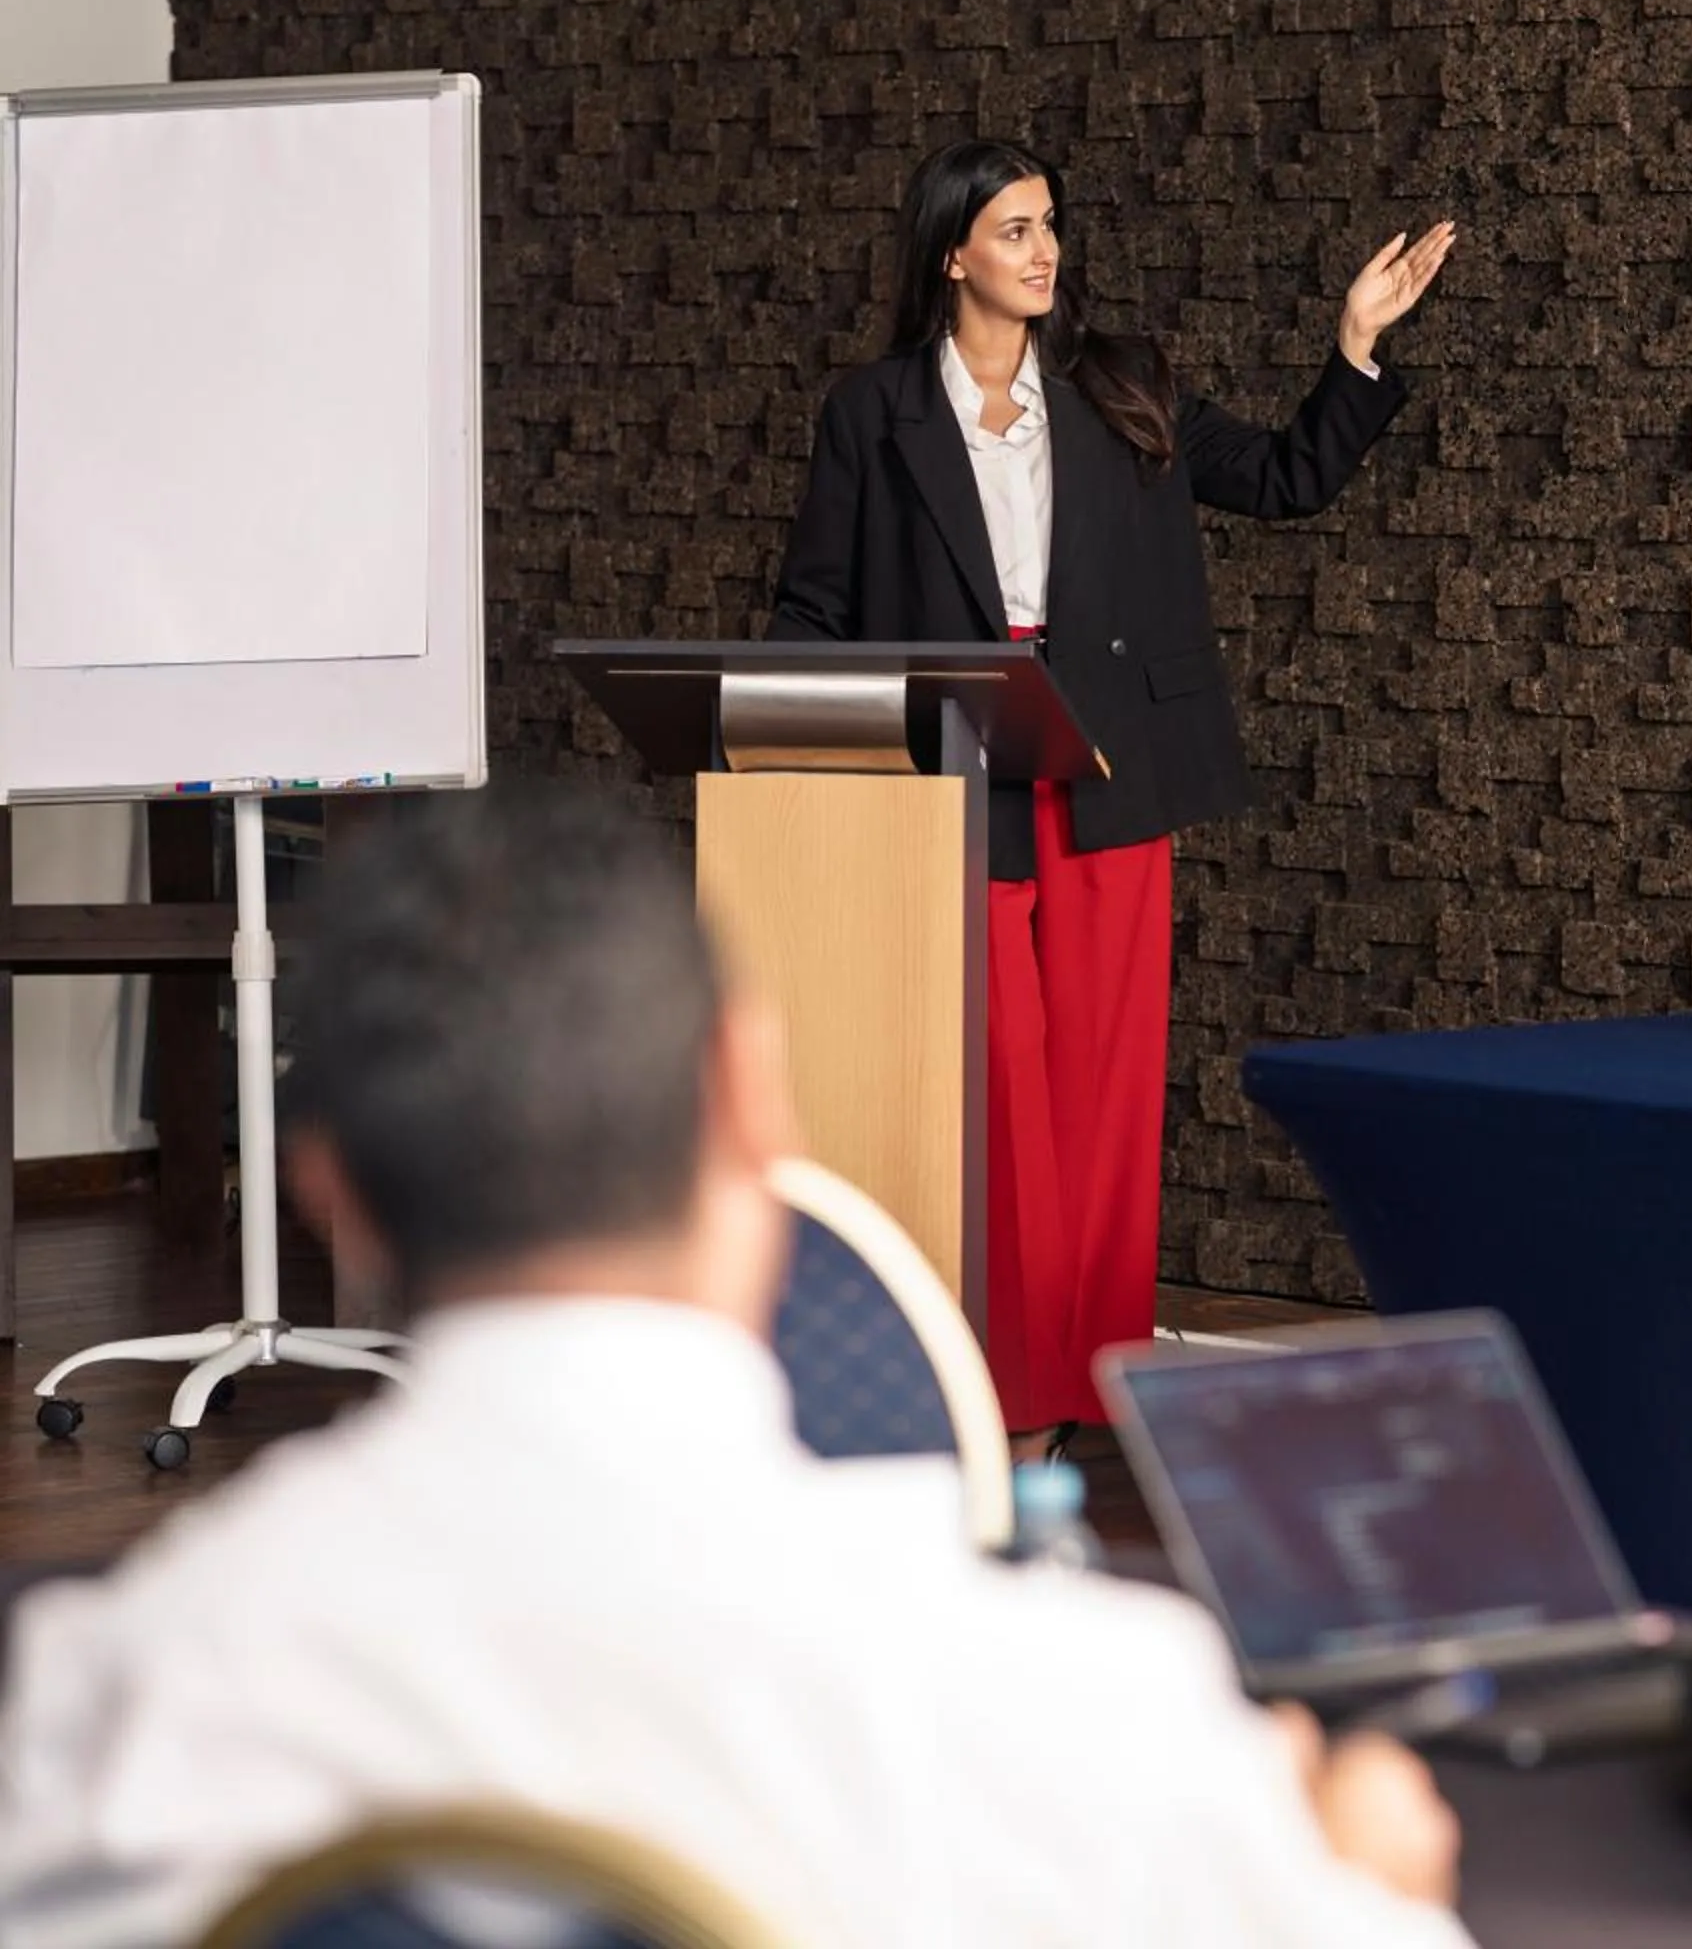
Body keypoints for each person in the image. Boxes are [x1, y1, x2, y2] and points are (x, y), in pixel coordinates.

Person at [0, 791, 1469, 1949]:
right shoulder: (1089, 1716)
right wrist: (1368, 1887)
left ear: (328, 1191)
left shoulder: (108, 1714)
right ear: (751, 1096)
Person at [771, 141, 1456, 1455]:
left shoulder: (1117, 383)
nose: (1043, 252)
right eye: (1014, 229)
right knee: (1000, 1100)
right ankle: (1010, 1402)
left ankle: (1088, 1392)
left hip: (1106, 776)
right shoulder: (873, 411)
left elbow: (1283, 479)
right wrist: (799, 743)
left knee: (1101, 1099)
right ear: (950, 254)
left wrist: (1356, 345)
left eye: (1049, 227)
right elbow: (814, 604)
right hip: (956, 782)